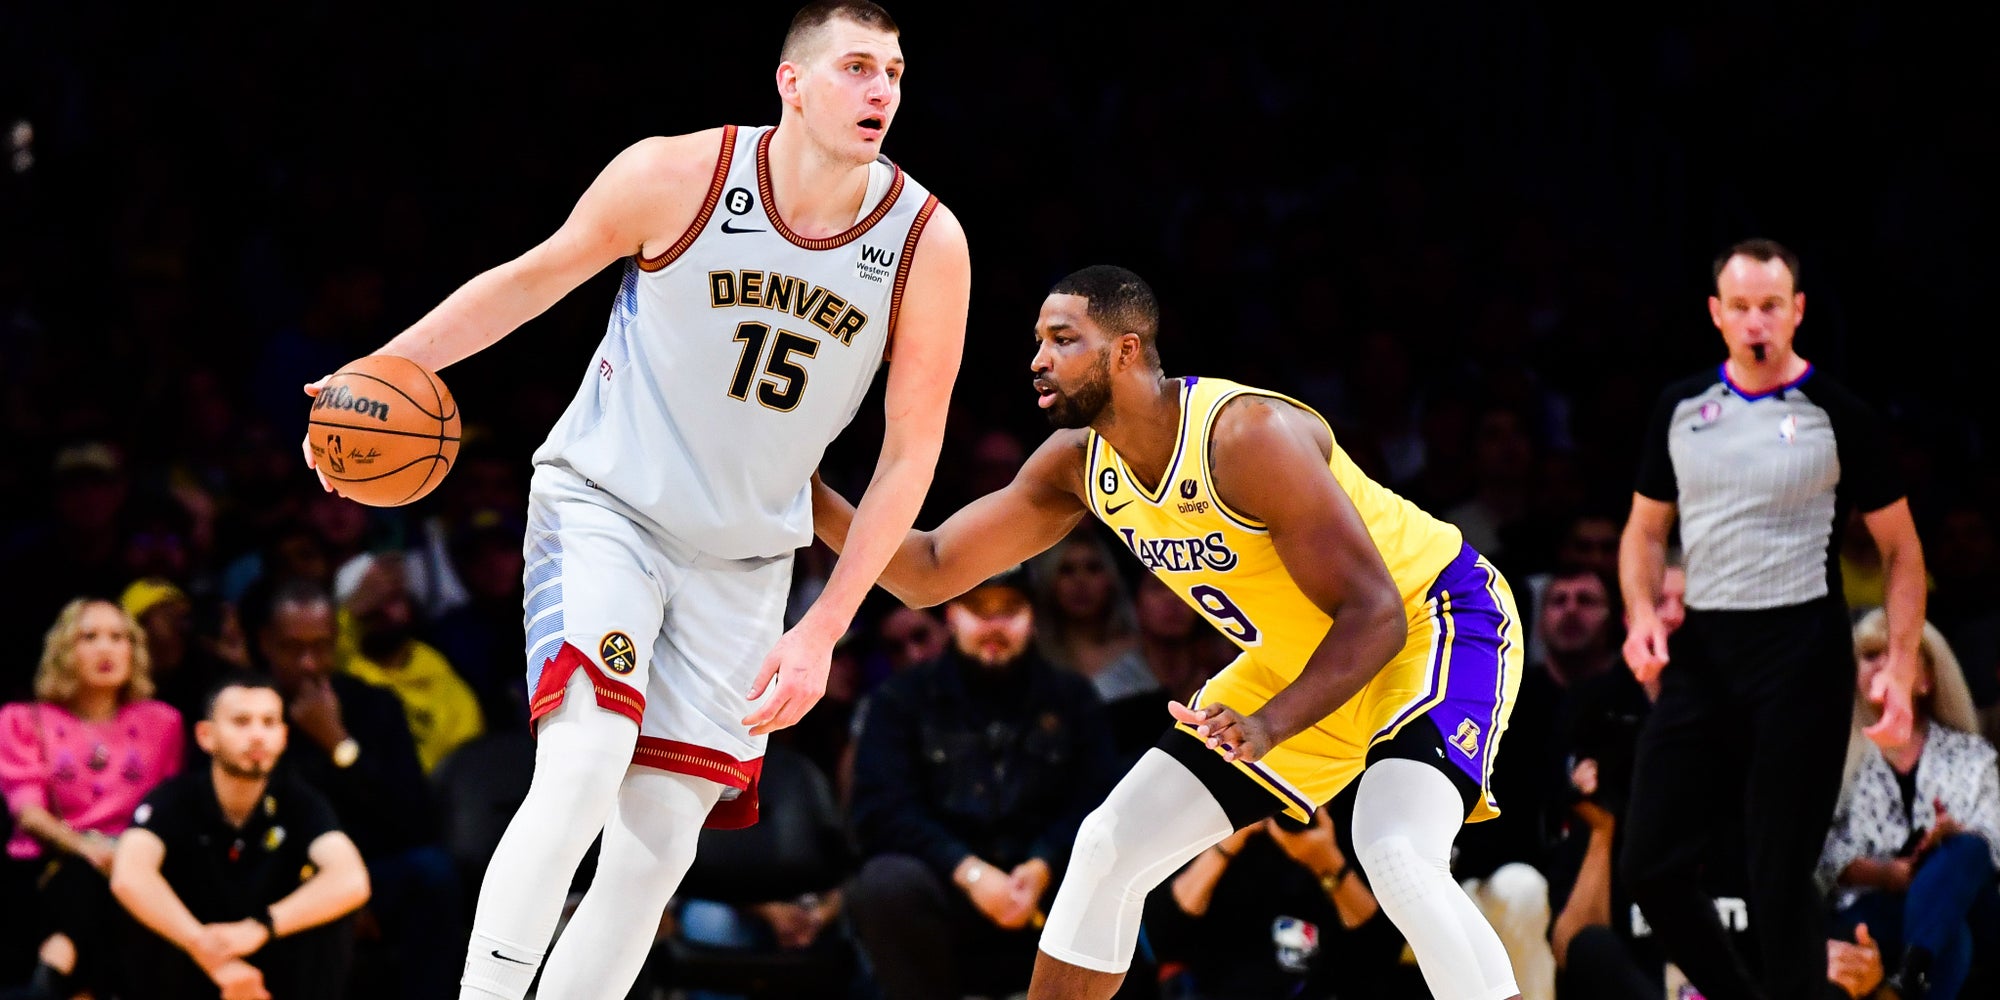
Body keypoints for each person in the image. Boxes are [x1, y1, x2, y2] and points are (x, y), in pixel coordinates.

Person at [299, 4, 969, 997]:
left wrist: (824, 625)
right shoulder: (677, 174)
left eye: (895, 72)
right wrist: (386, 364)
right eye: (856, 68)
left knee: (657, 849)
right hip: (608, 509)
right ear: (791, 83)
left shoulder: (924, 238)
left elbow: (911, 450)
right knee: (581, 766)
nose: (881, 91)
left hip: (746, 559)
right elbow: (531, 279)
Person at [813, 265, 1526, 1000]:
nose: (1038, 360)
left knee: (1396, 853)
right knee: (1107, 848)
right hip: (1299, 659)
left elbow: (1373, 615)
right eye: (1037, 342)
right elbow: (930, 569)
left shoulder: (1246, 436)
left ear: (1125, 352)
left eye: (1062, 339)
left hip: (1431, 624)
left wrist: (1269, 724)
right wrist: (810, 495)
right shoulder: (1078, 464)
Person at [1618, 237, 1929, 1000]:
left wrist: (1895, 664)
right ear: (1717, 315)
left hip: (1801, 651)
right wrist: (1641, 616)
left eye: (1771, 307)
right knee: (1650, 869)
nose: (1757, 322)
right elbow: (1644, 532)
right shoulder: (1683, 408)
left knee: (1778, 873)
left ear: (1796, 312)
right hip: (1705, 653)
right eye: (1742, 307)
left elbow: (1903, 552)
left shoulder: (1839, 414)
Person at [843, 568, 1113, 1000]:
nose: (994, 626)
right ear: (951, 614)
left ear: (1032, 616)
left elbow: (1099, 798)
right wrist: (968, 872)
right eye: (979, 610)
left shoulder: (1072, 696)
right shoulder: (900, 699)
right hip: (948, 892)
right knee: (885, 883)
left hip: (1047, 893)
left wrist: (1044, 862)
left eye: (1009, 611)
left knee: (1115, 874)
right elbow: (881, 811)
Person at [110, 674, 371, 1000]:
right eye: (242, 722)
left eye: (269, 723)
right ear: (206, 736)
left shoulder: (300, 801)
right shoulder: (174, 798)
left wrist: (260, 929)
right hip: (190, 959)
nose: (258, 736)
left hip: (266, 954)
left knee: (334, 909)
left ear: (284, 736)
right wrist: (207, 950)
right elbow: (128, 875)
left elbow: (351, 878)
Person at [0, 598, 182, 1000]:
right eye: (90, 637)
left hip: (139, 862)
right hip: (55, 859)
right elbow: (28, 813)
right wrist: (87, 847)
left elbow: (170, 809)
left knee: (125, 886)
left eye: (118, 638)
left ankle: (53, 974)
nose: (106, 649)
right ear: (64, 651)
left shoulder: (163, 722)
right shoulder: (23, 720)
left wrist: (128, 853)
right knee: (87, 880)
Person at [1819, 610, 2000, 998]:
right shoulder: (1828, 758)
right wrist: (1884, 874)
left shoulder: (1973, 755)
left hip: (1970, 904)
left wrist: (1946, 841)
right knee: (1951, 934)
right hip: (1872, 913)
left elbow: (1995, 841)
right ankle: (1916, 971)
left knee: (1967, 850)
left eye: (1897, 654)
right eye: (1870, 656)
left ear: (1926, 678)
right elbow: (1814, 853)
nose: (1882, 665)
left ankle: (1910, 975)